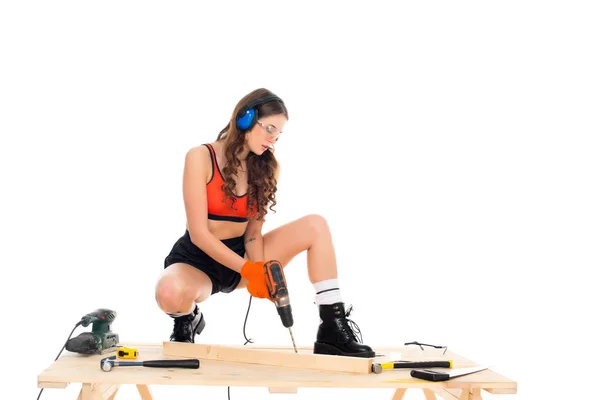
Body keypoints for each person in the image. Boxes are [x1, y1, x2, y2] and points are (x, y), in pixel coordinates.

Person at [155, 88, 374, 358]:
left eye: (279, 134)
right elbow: (199, 234)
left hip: (242, 255)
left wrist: (260, 271)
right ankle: (187, 318)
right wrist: (250, 270)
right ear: (245, 119)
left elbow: (252, 234)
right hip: (198, 259)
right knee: (168, 292)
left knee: (316, 225)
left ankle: (332, 325)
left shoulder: (268, 167)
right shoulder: (200, 157)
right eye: (269, 128)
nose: (273, 139)